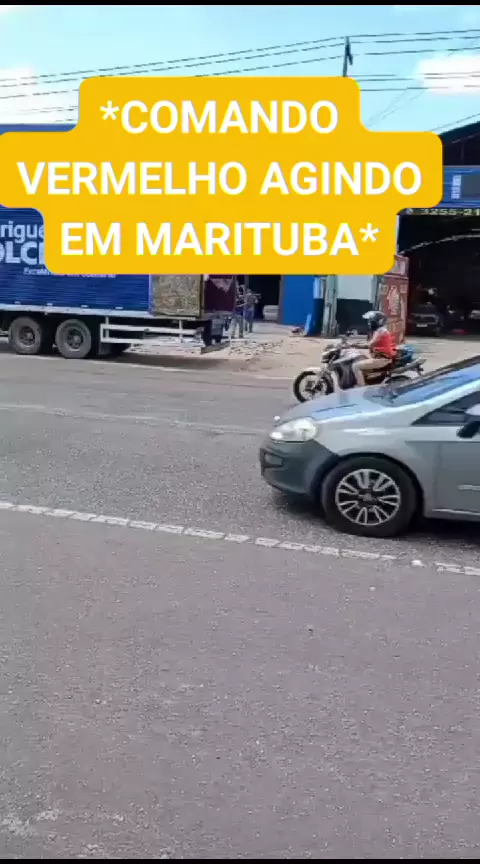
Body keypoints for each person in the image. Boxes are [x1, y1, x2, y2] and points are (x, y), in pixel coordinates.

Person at [352, 310, 396, 387]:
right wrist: (356, 343)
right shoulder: (379, 331)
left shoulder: (381, 332)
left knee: (355, 366)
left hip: (383, 359)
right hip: (379, 357)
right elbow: (369, 342)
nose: (369, 323)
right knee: (359, 359)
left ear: (378, 322)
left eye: (371, 321)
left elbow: (369, 344)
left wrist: (353, 345)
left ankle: (361, 388)